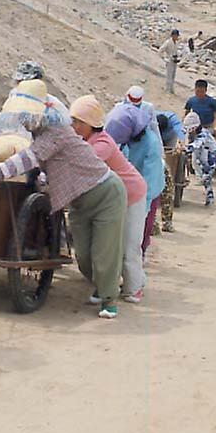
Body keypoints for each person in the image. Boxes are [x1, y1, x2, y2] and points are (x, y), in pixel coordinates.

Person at [0, 80, 125, 319]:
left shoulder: (57, 132)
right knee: (84, 255)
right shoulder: (40, 135)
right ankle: (101, 285)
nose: (24, 120)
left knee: (105, 252)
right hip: (79, 201)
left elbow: (29, 158)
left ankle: (109, 300)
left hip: (106, 194)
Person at [69, 95, 148, 303]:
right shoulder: (83, 141)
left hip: (131, 195)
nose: (74, 126)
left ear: (91, 124)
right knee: (103, 247)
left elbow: (82, 166)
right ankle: (105, 286)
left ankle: (133, 287)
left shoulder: (102, 144)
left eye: (78, 122)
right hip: (108, 201)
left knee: (129, 246)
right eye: (73, 121)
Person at [105, 100, 166, 258]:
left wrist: (141, 208)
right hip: (130, 188)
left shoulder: (150, 144)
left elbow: (150, 179)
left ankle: (139, 257)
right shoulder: (126, 142)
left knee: (141, 230)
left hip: (148, 190)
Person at [182, 111, 216, 206]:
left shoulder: (204, 134)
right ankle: (210, 199)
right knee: (206, 179)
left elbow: (197, 144)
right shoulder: (193, 135)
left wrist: (185, 149)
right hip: (206, 158)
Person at [158, 29, 182, 93]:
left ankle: (171, 89)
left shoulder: (176, 43)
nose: (177, 37)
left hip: (175, 60)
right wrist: (164, 58)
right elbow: (160, 50)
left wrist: (178, 56)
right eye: (176, 36)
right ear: (173, 35)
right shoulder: (168, 42)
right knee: (169, 75)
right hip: (169, 60)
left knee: (173, 75)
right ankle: (167, 89)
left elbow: (176, 51)